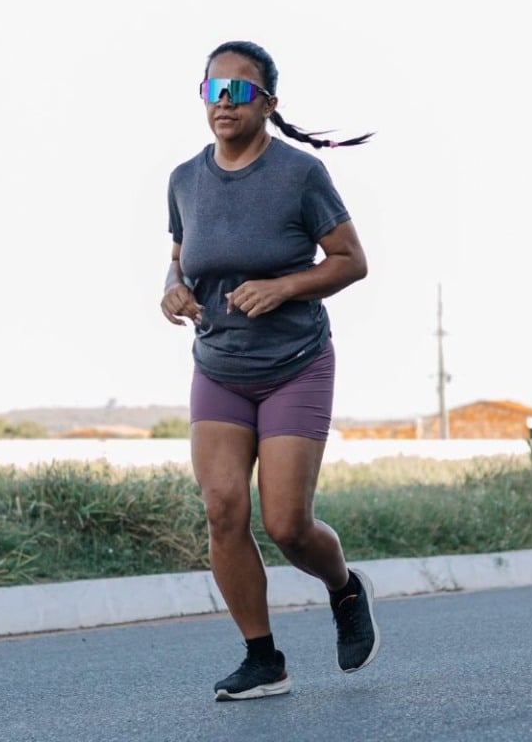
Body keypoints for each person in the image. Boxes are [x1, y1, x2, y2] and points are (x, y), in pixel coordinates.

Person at [160, 40, 379, 701]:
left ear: (268, 103)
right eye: (213, 90)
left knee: (286, 523)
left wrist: (283, 288)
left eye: (240, 91)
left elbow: (350, 259)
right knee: (223, 509)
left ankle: (343, 587)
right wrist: (171, 288)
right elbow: (179, 256)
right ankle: (263, 659)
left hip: (294, 364)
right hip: (219, 365)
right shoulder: (183, 179)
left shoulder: (299, 175)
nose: (224, 102)